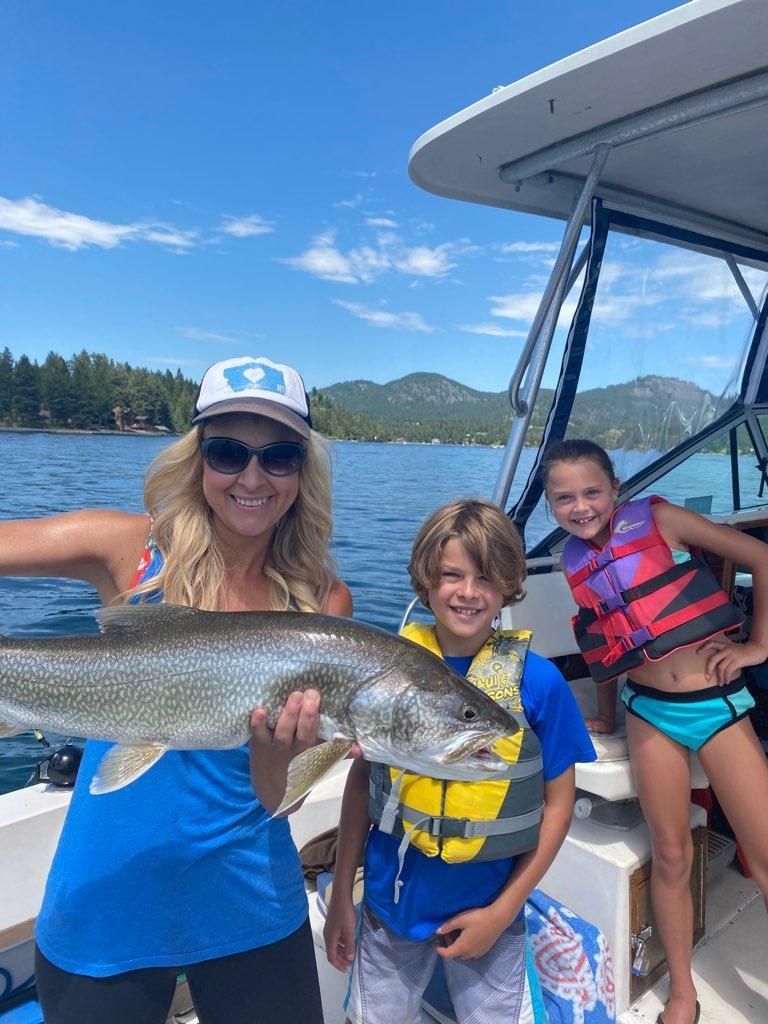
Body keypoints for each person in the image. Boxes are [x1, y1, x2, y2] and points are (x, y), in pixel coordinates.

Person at [1, 355, 352, 1024]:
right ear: (198, 458)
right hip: (108, 901)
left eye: (278, 457)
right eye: (228, 452)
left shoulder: (323, 604)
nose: (253, 478)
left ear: (303, 471)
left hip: (252, 903)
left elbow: (277, 798)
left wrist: (279, 750)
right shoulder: (131, 550)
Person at [323, 497, 596, 1024]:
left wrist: (503, 911)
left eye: (486, 578)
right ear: (426, 578)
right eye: (452, 575)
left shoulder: (540, 683)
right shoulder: (385, 675)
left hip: (491, 910)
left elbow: (559, 804)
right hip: (389, 908)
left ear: (509, 586)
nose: (468, 592)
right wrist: (340, 896)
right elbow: (363, 782)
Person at [541, 437, 768, 1024]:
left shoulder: (662, 519)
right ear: (550, 504)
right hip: (647, 712)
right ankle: (683, 992)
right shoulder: (572, 561)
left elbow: (761, 556)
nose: (580, 506)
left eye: (592, 492)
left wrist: (757, 647)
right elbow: (604, 638)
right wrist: (606, 712)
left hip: (714, 703)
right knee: (669, 854)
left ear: (615, 489)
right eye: (564, 498)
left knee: (765, 850)